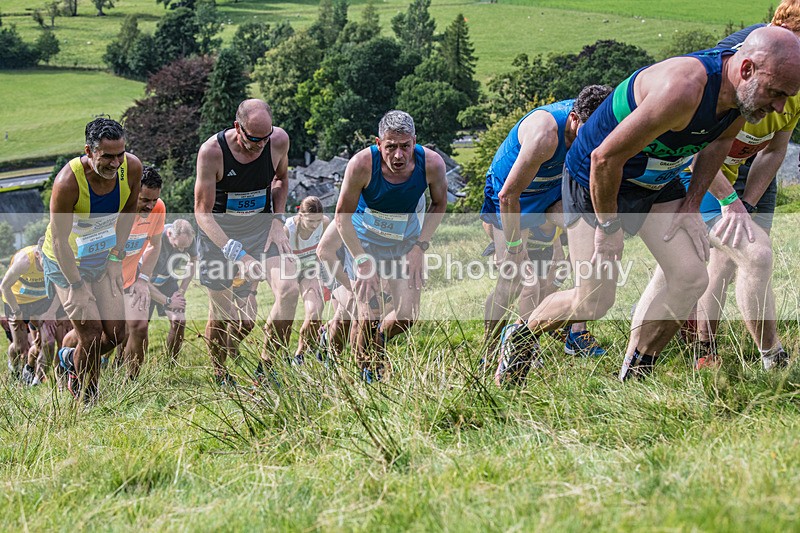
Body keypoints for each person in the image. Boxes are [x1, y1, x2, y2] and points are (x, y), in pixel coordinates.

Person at [496, 26, 800, 385]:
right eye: (776, 93)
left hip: (656, 181)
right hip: (597, 179)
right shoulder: (683, 89)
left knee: (690, 277)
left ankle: (636, 373)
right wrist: (609, 229)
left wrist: (690, 204)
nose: (780, 107)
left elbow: (717, 146)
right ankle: (521, 334)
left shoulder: (742, 99)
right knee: (594, 299)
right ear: (747, 69)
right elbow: (604, 159)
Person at [631, 5, 800, 371]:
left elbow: (776, 147)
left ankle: (702, 349)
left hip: (747, 176)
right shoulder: (741, 64)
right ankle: (766, 356)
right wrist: (728, 200)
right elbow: (699, 145)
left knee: (734, 258)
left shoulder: (792, 81)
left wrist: (748, 205)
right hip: (703, 174)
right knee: (746, 256)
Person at [480, 85, 612, 361]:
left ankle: (572, 333)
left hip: (551, 192)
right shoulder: (544, 135)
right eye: (588, 134)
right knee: (517, 281)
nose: (594, 142)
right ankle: (490, 348)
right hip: (510, 198)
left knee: (570, 259)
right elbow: (508, 196)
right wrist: (516, 248)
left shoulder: (597, 124)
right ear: (574, 119)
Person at [335, 110, 448, 382]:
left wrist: (420, 247)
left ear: (414, 141)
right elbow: (342, 217)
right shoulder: (361, 165)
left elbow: (439, 203)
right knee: (370, 312)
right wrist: (361, 261)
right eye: (391, 147)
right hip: (364, 244)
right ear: (378, 143)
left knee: (408, 315)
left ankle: (377, 340)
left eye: (405, 147)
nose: (398, 156)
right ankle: (369, 373)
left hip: (404, 245)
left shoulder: (431, 164)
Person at [194, 98, 294, 385]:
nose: (260, 145)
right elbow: (202, 214)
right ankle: (220, 373)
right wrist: (237, 254)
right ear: (237, 127)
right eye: (253, 139)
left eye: (265, 138)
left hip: (262, 228)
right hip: (219, 236)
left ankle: (267, 366)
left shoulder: (278, 141)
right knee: (222, 314)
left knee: (288, 289)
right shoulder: (212, 152)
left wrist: (277, 220)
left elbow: (281, 179)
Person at [42, 117, 142, 402]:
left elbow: (128, 212)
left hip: (101, 256)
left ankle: (67, 356)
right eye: (107, 156)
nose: (115, 163)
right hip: (65, 261)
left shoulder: (132, 168)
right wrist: (76, 286)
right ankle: (88, 395)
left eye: (120, 154)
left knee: (115, 334)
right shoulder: (67, 182)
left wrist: (115, 257)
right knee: (91, 333)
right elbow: (60, 240)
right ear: (89, 151)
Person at [1, 237, 66, 384]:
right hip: (17, 301)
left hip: (41, 300)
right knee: (20, 346)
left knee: (48, 342)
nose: (49, 264)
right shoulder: (24, 262)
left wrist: (51, 312)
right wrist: (17, 313)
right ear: (38, 254)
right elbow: (4, 287)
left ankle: (34, 381)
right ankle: (15, 368)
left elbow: (61, 286)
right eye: (46, 260)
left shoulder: (56, 259)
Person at [284, 196, 331, 363]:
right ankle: (278, 353)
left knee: (314, 313)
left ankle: (300, 354)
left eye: (317, 220)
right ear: (300, 215)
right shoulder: (288, 229)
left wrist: (326, 279)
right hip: (289, 273)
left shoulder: (324, 224)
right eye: (311, 221)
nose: (314, 225)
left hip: (309, 272)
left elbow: (327, 251)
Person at [145, 218, 196, 362]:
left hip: (168, 281)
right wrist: (168, 301)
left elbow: (194, 261)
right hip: (145, 283)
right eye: (177, 246)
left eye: (185, 248)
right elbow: (143, 280)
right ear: (169, 234)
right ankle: (116, 360)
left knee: (179, 321)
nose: (181, 251)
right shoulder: (155, 237)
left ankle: (171, 363)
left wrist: (180, 292)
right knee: (136, 327)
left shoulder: (187, 240)